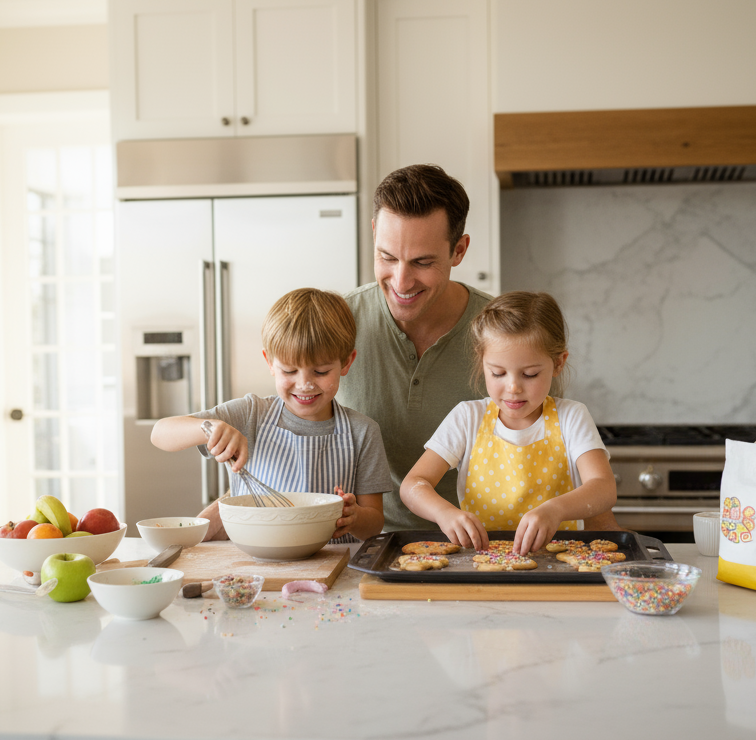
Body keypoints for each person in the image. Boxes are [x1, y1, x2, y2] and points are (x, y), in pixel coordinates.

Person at [150, 288, 390, 542]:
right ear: (269, 362)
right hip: (254, 560)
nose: (304, 384)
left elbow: (374, 524)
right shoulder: (251, 414)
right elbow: (159, 433)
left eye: (320, 372)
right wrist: (209, 427)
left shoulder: (363, 432)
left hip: (335, 561)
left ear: (346, 363)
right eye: (289, 371)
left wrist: (355, 517)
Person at [336, 164, 494, 532]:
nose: (402, 281)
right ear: (374, 233)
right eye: (387, 257)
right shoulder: (338, 322)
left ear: (459, 250)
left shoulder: (505, 332)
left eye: (422, 262)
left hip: (481, 545)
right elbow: (285, 424)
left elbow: (556, 449)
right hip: (366, 542)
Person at [400, 291, 619, 554]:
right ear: (482, 362)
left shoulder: (571, 417)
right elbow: (413, 484)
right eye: (498, 373)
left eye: (530, 374)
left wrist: (555, 509)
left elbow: (603, 487)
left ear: (558, 363)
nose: (513, 387)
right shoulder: (468, 418)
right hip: (482, 563)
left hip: (559, 562)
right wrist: (444, 513)